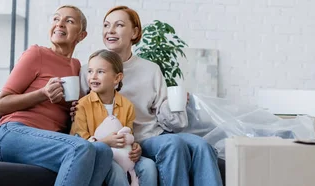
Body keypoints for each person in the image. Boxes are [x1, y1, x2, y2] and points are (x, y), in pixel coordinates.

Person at [77, 6, 223, 186]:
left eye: (119, 25)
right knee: (173, 144)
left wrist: (173, 105)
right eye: (106, 25)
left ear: (135, 32)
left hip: (154, 135)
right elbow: (80, 111)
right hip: (129, 141)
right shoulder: (89, 70)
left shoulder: (151, 69)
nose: (110, 31)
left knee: (202, 146)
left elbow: (174, 122)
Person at [0, 5, 113, 186]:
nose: (60, 24)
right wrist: (42, 94)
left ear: (81, 36)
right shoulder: (37, 54)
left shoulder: (76, 66)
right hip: (15, 133)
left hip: (51, 142)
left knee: (103, 151)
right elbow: (0, 105)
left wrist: (76, 110)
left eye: (69, 21)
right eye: (56, 19)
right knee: (81, 148)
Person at [71, 49, 158, 186]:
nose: (93, 76)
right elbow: (80, 142)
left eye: (100, 72)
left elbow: (128, 134)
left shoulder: (127, 106)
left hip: (123, 155)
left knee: (149, 166)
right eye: (90, 71)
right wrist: (105, 142)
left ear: (117, 78)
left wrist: (135, 147)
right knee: (116, 170)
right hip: (99, 155)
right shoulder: (82, 105)